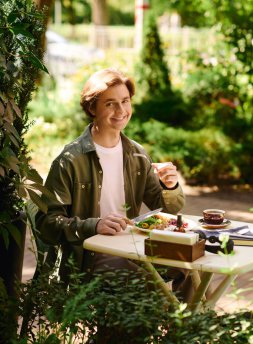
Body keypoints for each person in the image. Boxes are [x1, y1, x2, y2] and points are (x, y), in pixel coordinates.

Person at [35, 67, 188, 297]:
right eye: (110, 104)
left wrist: (170, 186)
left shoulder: (136, 153)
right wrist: (94, 225)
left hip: (134, 249)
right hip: (91, 258)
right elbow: (47, 224)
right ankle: (144, 330)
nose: (121, 110)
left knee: (187, 268)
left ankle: (190, 331)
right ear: (91, 108)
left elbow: (170, 208)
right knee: (149, 286)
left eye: (125, 101)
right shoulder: (70, 160)